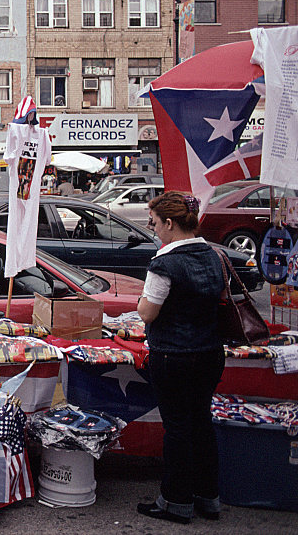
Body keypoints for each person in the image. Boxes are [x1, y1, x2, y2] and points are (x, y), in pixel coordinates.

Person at [136, 191, 225, 525]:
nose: (153, 229)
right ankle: (208, 497)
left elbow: (147, 313)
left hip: (174, 355)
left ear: (170, 223)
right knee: (201, 422)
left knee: (177, 429)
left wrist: (141, 305)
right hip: (210, 353)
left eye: (155, 223)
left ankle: (176, 501)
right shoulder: (214, 255)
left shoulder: (164, 262)